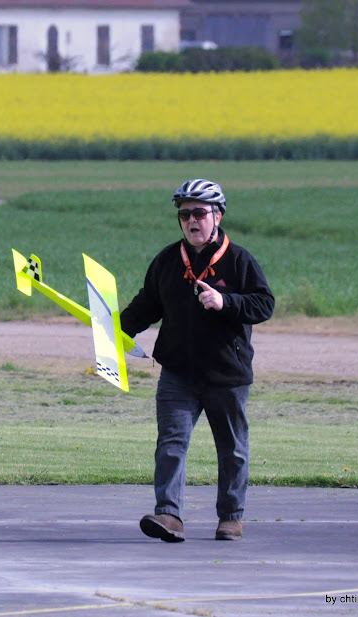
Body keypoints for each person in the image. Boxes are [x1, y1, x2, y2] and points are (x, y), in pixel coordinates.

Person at [120, 178, 274, 542]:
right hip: (178, 372)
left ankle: (231, 518)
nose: (191, 220)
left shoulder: (239, 260)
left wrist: (226, 303)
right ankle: (169, 515)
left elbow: (263, 304)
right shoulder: (168, 260)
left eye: (199, 213)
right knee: (171, 443)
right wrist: (118, 329)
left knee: (233, 449)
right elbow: (148, 303)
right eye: (184, 214)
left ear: (217, 216)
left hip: (226, 374)